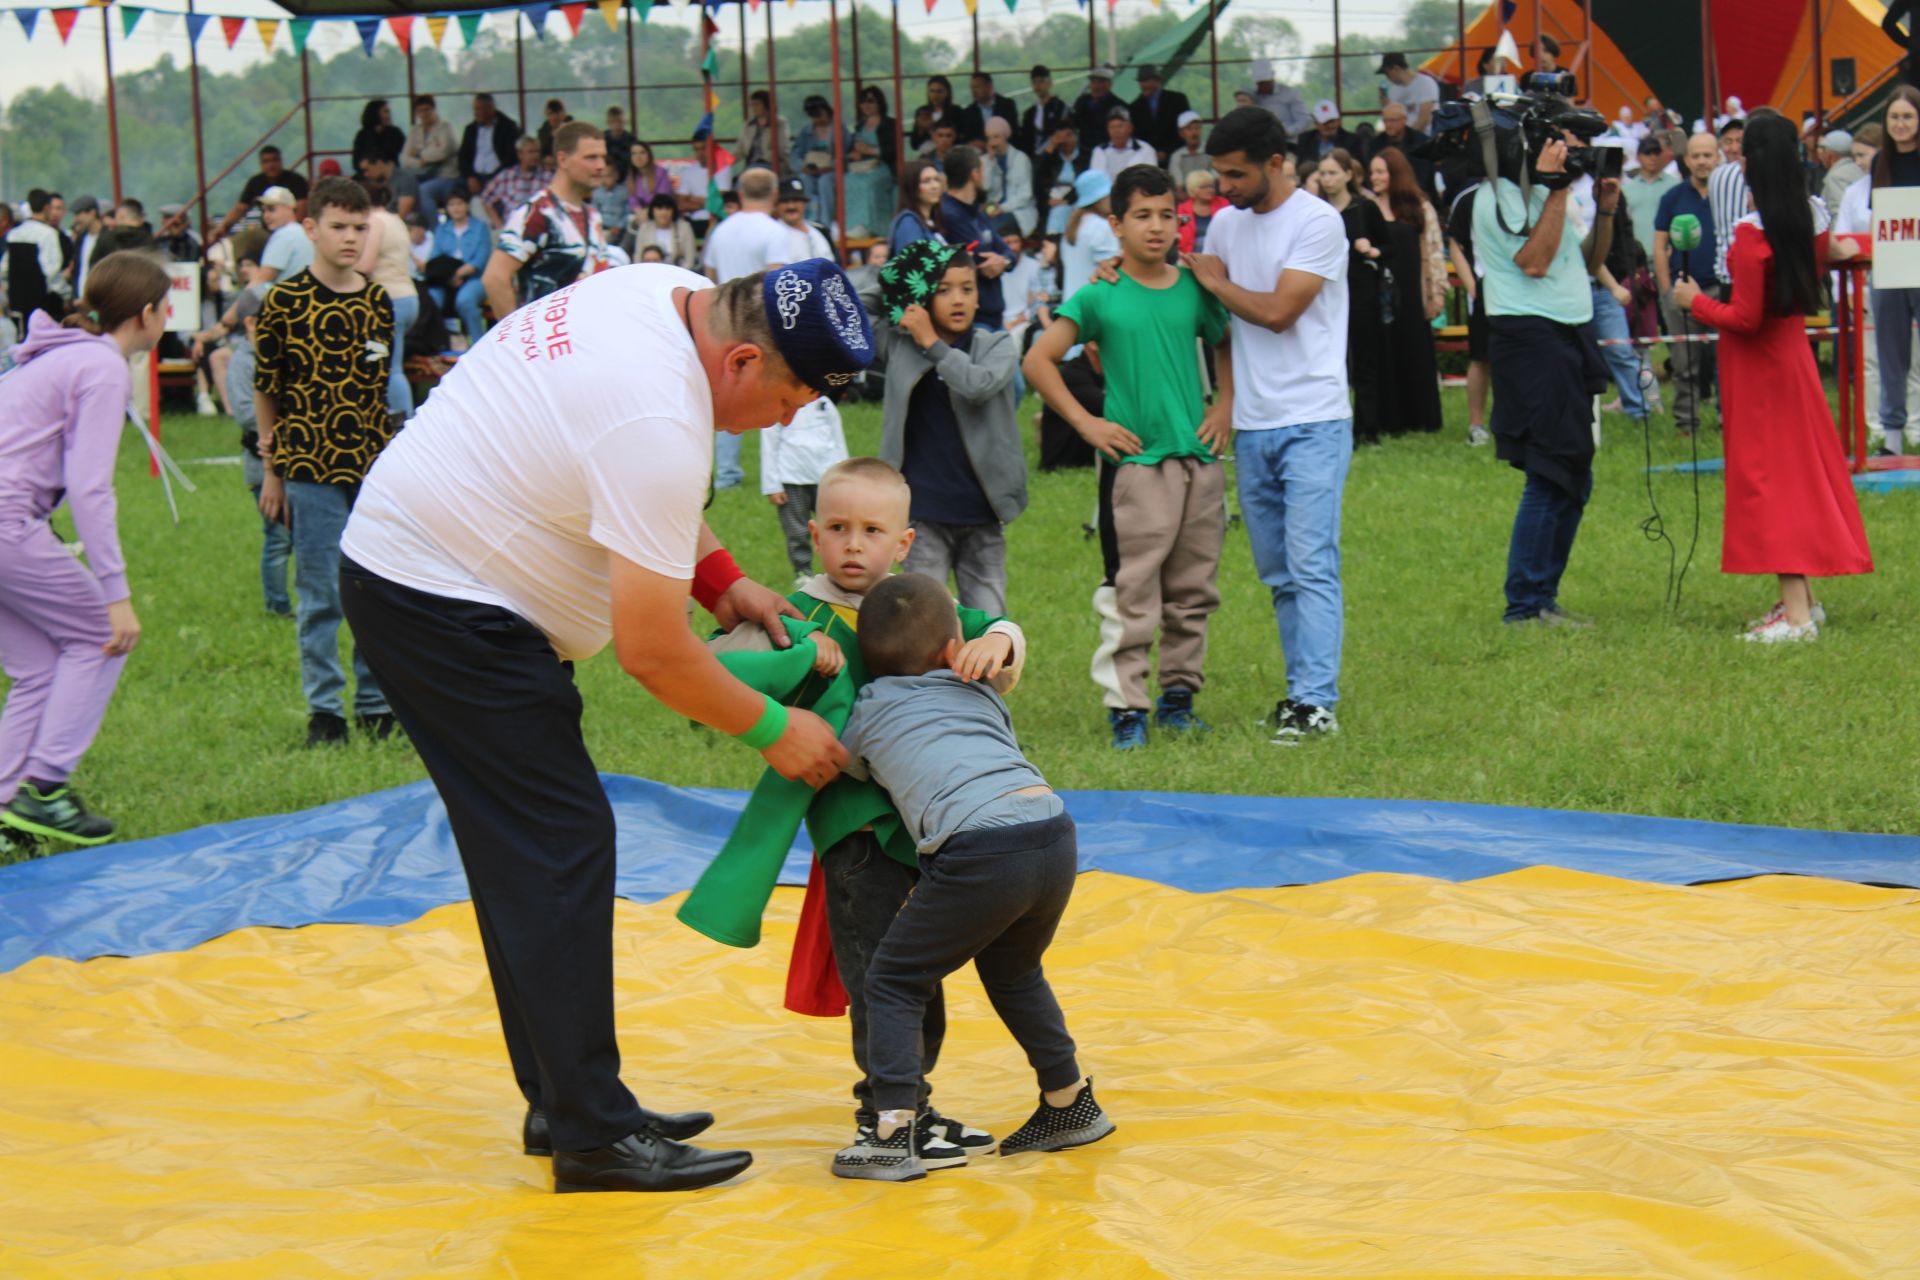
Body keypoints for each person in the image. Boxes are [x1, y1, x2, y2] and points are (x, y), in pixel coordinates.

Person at [337, 253, 869, 1193]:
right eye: (789, 401)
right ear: (742, 359)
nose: (786, 422)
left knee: (526, 850)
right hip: (442, 600)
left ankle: (563, 1097)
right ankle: (592, 1133)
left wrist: (724, 580)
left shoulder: (656, 290)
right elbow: (655, 654)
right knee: (558, 844)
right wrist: (774, 731)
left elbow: (624, 487)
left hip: (421, 570)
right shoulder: (659, 419)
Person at [697, 456, 1022, 1178]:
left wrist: (998, 643)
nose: (853, 545)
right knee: (884, 976)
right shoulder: (795, 615)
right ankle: (886, 1114)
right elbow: (712, 669)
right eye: (838, 528)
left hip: (929, 836)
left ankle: (915, 1107)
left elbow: (994, 626)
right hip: (856, 836)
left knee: (915, 976)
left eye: (872, 531)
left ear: (902, 544)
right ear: (813, 534)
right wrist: (792, 662)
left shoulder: (918, 601)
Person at [829, 572, 1113, 1182]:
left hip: (981, 850)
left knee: (895, 980)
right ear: (954, 648)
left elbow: (842, 764)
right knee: (1015, 971)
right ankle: (1068, 1103)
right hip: (1052, 831)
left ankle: (892, 1129)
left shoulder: (871, 708)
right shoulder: (982, 693)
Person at [1025, 164, 1232, 749]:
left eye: (1167, 214)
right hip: (1137, 466)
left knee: (1194, 587)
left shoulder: (1195, 287)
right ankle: (1128, 709)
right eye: (1142, 215)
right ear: (1114, 224)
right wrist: (1088, 424)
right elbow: (1038, 362)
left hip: (1200, 459)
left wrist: (1226, 408)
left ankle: (1178, 697)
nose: (1157, 226)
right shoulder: (1099, 294)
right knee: (1134, 587)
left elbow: (1225, 342)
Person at [1674, 112, 1873, 641]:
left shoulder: (1751, 234)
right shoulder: (1811, 216)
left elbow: (1743, 317)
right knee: (1798, 473)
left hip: (1758, 367)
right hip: (1793, 356)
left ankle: (1798, 616)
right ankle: (1802, 601)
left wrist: (1693, 301)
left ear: (1747, 163)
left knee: (1772, 482)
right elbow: (1829, 255)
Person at [0, 252, 169, 853]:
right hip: (6, 521)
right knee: (102, 634)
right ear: (145, 314)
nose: (168, 319)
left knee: (39, 668)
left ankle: (6, 810)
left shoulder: (62, 353)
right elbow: (91, 488)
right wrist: (116, 595)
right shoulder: (101, 367)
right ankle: (44, 789)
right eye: (166, 307)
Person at [1195, 106, 1351, 742]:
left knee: (1311, 563)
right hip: (1255, 425)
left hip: (1314, 417)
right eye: (1219, 175)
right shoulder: (1224, 226)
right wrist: (1227, 400)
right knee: (1279, 573)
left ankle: (1317, 702)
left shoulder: (1320, 221)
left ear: (1276, 164)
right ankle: (1298, 695)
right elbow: (1226, 330)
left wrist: (1211, 280)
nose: (1224, 187)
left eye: (1235, 175)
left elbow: (1280, 311)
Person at [252, 177, 397, 747]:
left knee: (375, 591)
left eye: (360, 228)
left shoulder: (377, 301)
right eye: (338, 226)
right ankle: (325, 712)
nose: (351, 238)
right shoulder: (284, 302)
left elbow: (381, 390)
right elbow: (268, 388)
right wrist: (272, 468)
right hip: (308, 468)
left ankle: (374, 703)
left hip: (372, 470)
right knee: (320, 592)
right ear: (310, 228)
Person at [1475, 121, 1616, 628]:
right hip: (1531, 339)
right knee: (1550, 469)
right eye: (1563, 146)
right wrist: (1557, 191)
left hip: (1567, 334)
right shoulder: (1497, 198)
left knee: (1574, 470)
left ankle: (1542, 596)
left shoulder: (1553, 196)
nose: (1574, 155)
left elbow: (1587, 260)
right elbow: (1534, 262)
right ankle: (1526, 604)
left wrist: (1604, 209)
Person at [877, 240, 1024, 614]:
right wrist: (905, 278)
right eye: (943, 290)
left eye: (967, 289)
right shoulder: (900, 344)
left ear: (979, 297)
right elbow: (858, 306)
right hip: (923, 512)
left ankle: (983, 677)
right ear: (924, 295)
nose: (958, 299)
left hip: (981, 513)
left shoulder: (997, 344)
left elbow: (978, 385)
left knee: (988, 622)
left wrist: (933, 344)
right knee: (923, 619)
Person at [703, 168, 794, 491]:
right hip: (762, 322)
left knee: (727, 397)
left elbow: (709, 274)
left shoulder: (722, 231)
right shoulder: (775, 232)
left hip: (723, 322)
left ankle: (726, 473)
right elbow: (778, 281)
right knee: (777, 395)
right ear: (774, 195)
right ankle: (780, 470)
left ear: (740, 194)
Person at [483, 121, 611, 323]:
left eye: (603, 157)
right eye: (591, 157)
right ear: (563, 159)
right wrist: (518, 340)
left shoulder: (593, 215)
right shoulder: (537, 212)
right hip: (548, 342)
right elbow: (495, 278)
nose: (601, 165)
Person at [222, 281, 294, 620]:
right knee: (278, 537)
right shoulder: (242, 363)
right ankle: (277, 606)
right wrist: (285, 414)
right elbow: (246, 412)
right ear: (252, 323)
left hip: (298, 463)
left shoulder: (287, 356)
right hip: (261, 465)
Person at [1316, 150, 1393, 446]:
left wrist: (1372, 251)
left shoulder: (1364, 207)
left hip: (1361, 290)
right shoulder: (1318, 211)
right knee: (1330, 361)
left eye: (1333, 172)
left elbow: (1389, 246)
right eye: (1323, 173)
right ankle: (1332, 424)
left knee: (1364, 360)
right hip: (1325, 292)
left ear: (1349, 175)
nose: (1328, 179)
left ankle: (1367, 428)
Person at [1365, 149, 1444, 436]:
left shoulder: (1419, 208)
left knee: (1416, 351)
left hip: (1413, 291)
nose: (1375, 177)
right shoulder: (1368, 208)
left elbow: (1434, 251)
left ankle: (1421, 417)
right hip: (1381, 294)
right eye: (1372, 172)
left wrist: (1435, 292)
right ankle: (1390, 419)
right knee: (1385, 352)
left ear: (1395, 174)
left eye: (1380, 171)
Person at [1863, 86, 1920, 454]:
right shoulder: (1879, 161)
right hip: (1889, 265)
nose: (1900, 124)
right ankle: (1893, 437)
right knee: (1890, 352)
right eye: (1894, 117)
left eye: (1908, 117)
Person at [761, 398, 849, 583]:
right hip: (791, 478)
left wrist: (844, 477)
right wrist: (773, 485)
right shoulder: (780, 403)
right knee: (797, 530)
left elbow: (838, 440)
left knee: (838, 527)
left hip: (827, 478)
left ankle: (842, 567)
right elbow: (769, 444)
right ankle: (803, 571)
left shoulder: (824, 405)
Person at [1439, 159, 1493, 447]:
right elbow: (1455, 244)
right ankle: (1476, 424)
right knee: (1480, 358)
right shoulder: (1470, 199)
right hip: (1484, 291)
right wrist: (1473, 287)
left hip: (1521, 294)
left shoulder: (1525, 195)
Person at [356, 188, 421, 418]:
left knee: (391, 370)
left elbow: (366, 264)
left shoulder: (374, 222)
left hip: (390, 299)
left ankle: (404, 425)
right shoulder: (396, 220)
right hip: (408, 296)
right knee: (393, 366)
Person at [939, 148, 1015, 329]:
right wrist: (1000, 260)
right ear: (975, 174)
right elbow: (979, 261)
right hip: (973, 318)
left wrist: (1003, 261)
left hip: (995, 316)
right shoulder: (949, 214)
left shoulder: (978, 214)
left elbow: (1008, 252)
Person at [426, 190, 494, 344]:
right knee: (432, 298)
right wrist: (448, 277)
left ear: (467, 206)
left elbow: (480, 260)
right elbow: (435, 257)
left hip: (475, 278)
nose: (456, 208)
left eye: (459, 203)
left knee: (465, 300)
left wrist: (457, 275)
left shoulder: (480, 227)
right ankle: (439, 343)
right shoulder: (442, 229)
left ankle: (479, 344)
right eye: (451, 204)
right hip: (446, 278)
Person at [210, 146, 310, 249]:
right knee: (242, 240)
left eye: (274, 160)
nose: (271, 165)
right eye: (266, 162)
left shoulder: (296, 181)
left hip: (292, 230)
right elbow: (240, 209)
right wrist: (223, 227)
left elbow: (302, 209)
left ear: (280, 161)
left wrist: (294, 232)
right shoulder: (255, 183)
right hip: (266, 232)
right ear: (261, 164)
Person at [5, 190, 71, 324]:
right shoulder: (48, 234)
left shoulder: (14, 234)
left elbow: (4, 268)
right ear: (47, 207)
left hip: (17, 304)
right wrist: (66, 294)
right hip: (42, 306)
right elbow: (52, 272)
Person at [845, 86, 898, 240]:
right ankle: (854, 225)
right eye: (863, 101)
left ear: (879, 103)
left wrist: (872, 151)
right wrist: (855, 154)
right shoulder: (860, 126)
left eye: (870, 101)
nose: (866, 105)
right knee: (847, 181)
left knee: (868, 185)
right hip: (862, 167)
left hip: (884, 167)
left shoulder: (889, 124)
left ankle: (874, 227)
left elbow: (894, 152)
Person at [403, 95, 462, 227]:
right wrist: (420, 162)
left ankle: (436, 231)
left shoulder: (445, 127)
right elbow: (404, 158)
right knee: (408, 188)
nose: (424, 114)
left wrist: (419, 154)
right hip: (421, 175)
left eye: (427, 110)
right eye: (420, 111)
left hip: (447, 176)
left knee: (424, 191)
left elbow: (443, 152)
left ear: (434, 109)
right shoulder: (414, 130)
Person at [1061, 170, 1119, 302]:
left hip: (1071, 307)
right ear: (1100, 199)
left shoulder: (1070, 228)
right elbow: (1112, 274)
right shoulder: (1101, 226)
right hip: (1092, 308)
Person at [1622, 135, 1681, 264]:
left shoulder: (1675, 185)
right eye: (1647, 153)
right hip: (1638, 257)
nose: (1652, 157)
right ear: (1638, 157)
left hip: (1669, 255)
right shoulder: (1627, 189)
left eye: (1656, 153)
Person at [792, 95, 849, 228]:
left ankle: (825, 222)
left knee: (825, 182)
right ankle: (809, 219)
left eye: (820, 115)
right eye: (814, 117)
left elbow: (845, 155)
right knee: (803, 180)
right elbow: (795, 154)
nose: (818, 120)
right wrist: (802, 166)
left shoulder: (839, 129)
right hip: (810, 171)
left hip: (831, 171)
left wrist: (830, 166)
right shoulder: (806, 130)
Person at [983, 117, 1038, 236]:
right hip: (992, 210)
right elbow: (985, 187)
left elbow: (1025, 195)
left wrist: (1003, 208)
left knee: (992, 229)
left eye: (996, 137)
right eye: (989, 138)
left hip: (1017, 210)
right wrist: (990, 161)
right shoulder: (985, 160)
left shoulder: (1021, 159)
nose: (993, 142)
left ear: (1005, 136)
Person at [481, 137, 553, 226]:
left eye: (537, 152)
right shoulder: (506, 176)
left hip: (538, 230)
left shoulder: (548, 177)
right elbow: (486, 198)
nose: (535, 156)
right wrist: (499, 225)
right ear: (520, 155)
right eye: (530, 152)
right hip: (512, 230)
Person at [1366, 103, 1435, 195]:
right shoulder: (1375, 144)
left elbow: (1425, 174)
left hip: (1416, 193)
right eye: (1385, 121)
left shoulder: (1421, 142)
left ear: (1404, 120)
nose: (1388, 124)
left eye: (1392, 120)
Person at [1128, 65, 1192, 164]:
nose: (1142, 85)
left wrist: (1167, 151)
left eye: (1145, 81)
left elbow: (1186, 128)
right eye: (1140, 81)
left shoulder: (1177, 100)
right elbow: (1136, 136)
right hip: (1148, 160)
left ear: (1157, 81)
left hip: (1177, 157)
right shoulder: (1135, 106)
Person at [459, 93, 519, 197]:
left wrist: (495, 178)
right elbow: (463, 156)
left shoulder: (508, 127)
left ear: (491, 109)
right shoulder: (470, 129)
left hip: (500, 177)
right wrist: (470, 177)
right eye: (475, 109)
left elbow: (511, 158)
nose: (476, 113)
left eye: (479, 110)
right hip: (474, 178)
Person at [255, 186, 314, 287]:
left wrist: (239, 303)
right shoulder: (304, 232)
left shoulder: (284, 235)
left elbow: (260, 283)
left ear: (289, 208)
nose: (266, 215)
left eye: (271, 209)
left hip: (289, 299)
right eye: (263, 211)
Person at [888, 159, 947, 255]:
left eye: (936, 179)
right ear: (912, 186)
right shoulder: (908, 223)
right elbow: (914, 264)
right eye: (926, 181)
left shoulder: (931, 221)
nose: (935, 186)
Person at [1377, 53, 1440, 133]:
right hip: (1404, 139)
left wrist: (1408, 138)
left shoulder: (1425, 83)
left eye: (1387, 73)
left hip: (1426, 137)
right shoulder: (1394, 91)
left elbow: (1425, 118)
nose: (1387, 78)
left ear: (1396, 69)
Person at [633, 193, 698, 271]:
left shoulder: (684, 228)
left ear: (673, 211)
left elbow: (689, 260)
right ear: (652, 210)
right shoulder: (645, 228)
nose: (664, 212)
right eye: (659, 208)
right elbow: (638, 257)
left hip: (678, 275)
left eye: (667, 208)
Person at [1250, 58, 1314, 138]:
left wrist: (1287, 132)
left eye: (1266, 83)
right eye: (1260, 84)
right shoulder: (1253, 97)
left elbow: (1304, 120)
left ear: (1272, 79)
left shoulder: (1289, 94)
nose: (1263, 86)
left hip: (1288, 142)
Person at [734, 90, 791, 179]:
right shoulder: (749, 125)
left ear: (766, 105)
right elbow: (740, 150)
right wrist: (725, 162)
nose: (753, 108)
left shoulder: (779, 123)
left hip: (771, 165)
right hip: (751, 165)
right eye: (752, 105)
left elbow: (781, 149)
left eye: (757, 104)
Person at [1073, 65, 1127, 157]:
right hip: (1084, 151)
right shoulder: (1082, 101)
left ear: (1109, 85)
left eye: (1100, 82)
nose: (1096, 86)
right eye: (1093, 82)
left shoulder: (1118, 105)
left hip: (1109, 152)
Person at [1091, 107, 1157, 182]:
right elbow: (1096, 181)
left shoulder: (1145, 150)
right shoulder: (1100, 150)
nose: (1116, 131)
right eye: (1112, 127)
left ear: (1130, 128)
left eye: (1120, 126)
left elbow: (1151, 179)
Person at [777, 177, 834, 262]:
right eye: (785, 202)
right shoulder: (774, 234)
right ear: (777, 205)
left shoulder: (821, 230)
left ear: (804, 204)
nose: (791, 206)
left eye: (796, 201)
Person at [1294, 100, 1360, 172]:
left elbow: (1357, 168)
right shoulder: (1305, 140)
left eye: (1333, 121)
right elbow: (1300, 167)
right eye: (1326, 122)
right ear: (1316, 123)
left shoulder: (1351, 140)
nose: (1330, 126)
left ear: (1338, 121)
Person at [1020, 66, 1071, 157]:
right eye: (1034, 82)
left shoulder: (1061, 108)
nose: (1037, 85)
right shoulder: (1029, 113)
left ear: (1050, 83)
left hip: (1057, 157)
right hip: (1035, 160)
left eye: (1041, 81)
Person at [957, 72, 1019, 148]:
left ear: (989, 87)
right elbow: (967, 137)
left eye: (977, 87)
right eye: (972, 88)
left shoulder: (1007, 105)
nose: (974, 91)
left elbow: (1013, 133)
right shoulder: (969, 112)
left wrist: (989, 144)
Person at [1034, 119, 1087, 206]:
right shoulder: (1052, 157)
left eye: (1069, 135)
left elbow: (1084, 184)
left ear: (1076, 136)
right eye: (1060, 137)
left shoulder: (1086, 156)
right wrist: (1052, 145)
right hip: (1053, 198)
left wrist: (1067, 201)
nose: (1065, 140)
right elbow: (1037, 174)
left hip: (1076, 200)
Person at [1177, 168, 1228, 255]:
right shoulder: (1183, 209)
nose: (1210, 190)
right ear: (1193, 189)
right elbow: (1177, 235)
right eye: (1204, 187)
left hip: (1219, 255)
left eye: (1211, 186)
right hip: (1190, 257)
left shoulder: (1223, 204)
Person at [354, 100, 407, 176]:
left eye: (389, 112)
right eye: (386, 112)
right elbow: (356, 161)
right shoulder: (363, 135)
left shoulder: (395, 133)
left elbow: (403, 153)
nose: (389, 115)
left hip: (392, 173)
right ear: (375, 114)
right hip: (368, 174)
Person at [1168, 111, 1211, 191]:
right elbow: (1178, 188)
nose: (1194, 133)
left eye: (1197, 128)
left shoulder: (1211, 151)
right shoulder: (1176, 156)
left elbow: (1215, 182)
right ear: (1181, 133)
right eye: (1189, 129)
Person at [912, 75, 955, 151]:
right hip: (927, 154)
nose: (935, 95)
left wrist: (931, 128)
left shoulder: (956, 111)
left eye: (939, 91)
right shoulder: (922, 111)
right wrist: (920, 130)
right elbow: (914, 144)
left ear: (947, 93)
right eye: (932, 91)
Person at [601, 107, 637, 183]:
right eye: (613, 122)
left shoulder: (631, 139)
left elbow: (633, 163)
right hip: (604, 178)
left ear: (625, 122)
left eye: (620, 122)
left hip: (625, 179)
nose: (617, 125)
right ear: (608, 122)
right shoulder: (601, 139)